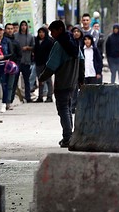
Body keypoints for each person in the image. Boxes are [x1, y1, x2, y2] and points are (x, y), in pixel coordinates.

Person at [38, 20, 81, 148]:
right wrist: (80, 78)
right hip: (72, 82)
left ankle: (67, 137)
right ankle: (70, 135)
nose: (51, 34)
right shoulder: (74, 42)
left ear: (59, 30)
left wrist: (41, 78)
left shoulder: (59, 45)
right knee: (67, 108)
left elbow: (51, 66)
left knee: (63, 109)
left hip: (63, 82)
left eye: (53, 31)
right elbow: (82, 61)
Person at [15, 20, 35, 103]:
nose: (23, 27)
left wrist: (27, 48)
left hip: (26, 60)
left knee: (26, 80)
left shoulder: (30, 36)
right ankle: (12, 98)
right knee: (14, 80)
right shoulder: (15, 36)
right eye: (22, 25)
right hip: (17, 61)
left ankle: (28, 97)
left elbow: (33, 47)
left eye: (25, 25)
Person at [33, 26, 54, 103]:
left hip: (47, 63)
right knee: (40, 80)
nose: (41, 34)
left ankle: (49, 96)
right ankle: (40, 96)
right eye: (40, 32)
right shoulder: (36, 41)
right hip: (38, 63)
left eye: (43, 32)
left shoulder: (49, 41)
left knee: (48, 80)